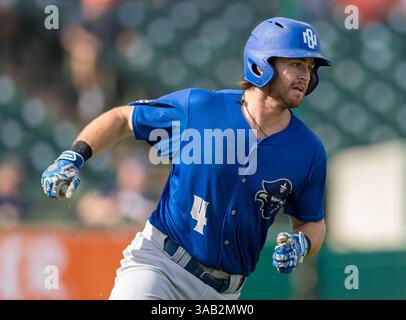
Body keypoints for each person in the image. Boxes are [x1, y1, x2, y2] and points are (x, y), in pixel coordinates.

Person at [40, 17, 330, 300]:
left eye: (309, 67)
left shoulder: (309, 151)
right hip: (159, 265)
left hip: (226, 293)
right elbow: (123, 119)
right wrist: (74, 155)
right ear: (261, 63)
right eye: (295, 64)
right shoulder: (199, 107)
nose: (305, 75)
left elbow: (312, 222)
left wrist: (303, 242)